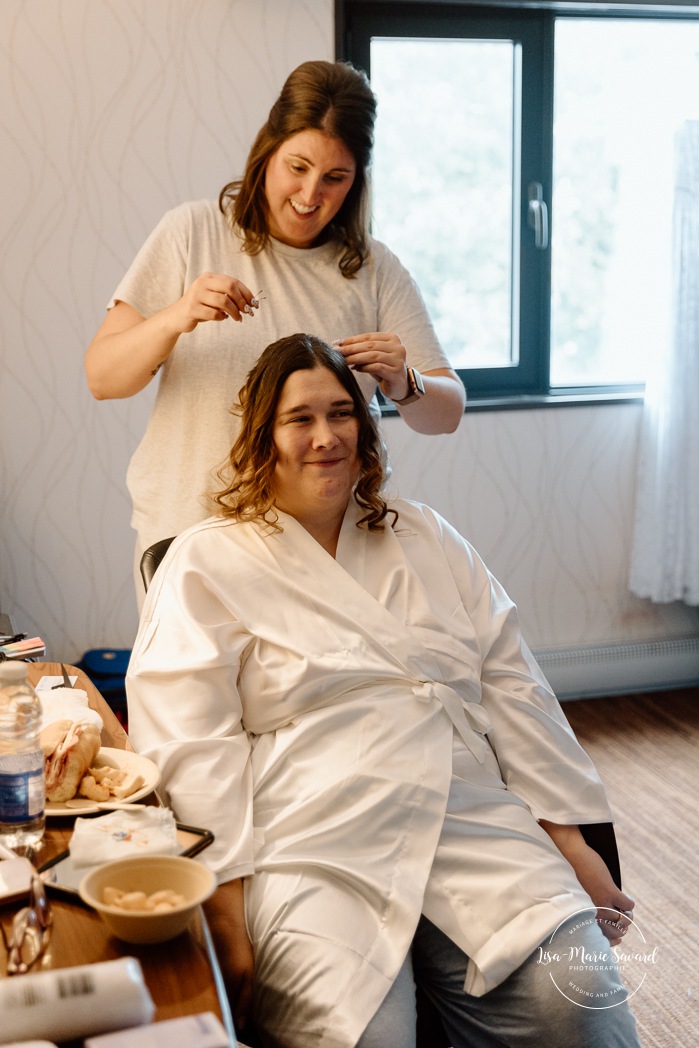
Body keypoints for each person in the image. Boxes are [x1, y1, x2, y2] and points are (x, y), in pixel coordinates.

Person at [126, 334, 641, 1048]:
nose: (326, 436)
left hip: (464, 810)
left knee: (576, 993)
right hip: (308, 829)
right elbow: (189, 739)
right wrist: (222, 906)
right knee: (358, 1033)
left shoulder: (425, 535)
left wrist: (568, 838)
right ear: (262, 436)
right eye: (299, 418)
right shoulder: (207, 559)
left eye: (341, 414)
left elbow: (513, 684)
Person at [84, 60, 465, 590]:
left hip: (327, 546)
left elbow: (446, 412)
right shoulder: (189, 232)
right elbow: (102, 378)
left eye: (336, 178)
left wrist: (407, 382)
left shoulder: (375, 268)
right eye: (298, 167)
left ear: (357, 182)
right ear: (267, 152)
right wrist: (178, 316)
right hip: (192, 538)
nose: (311, 197)